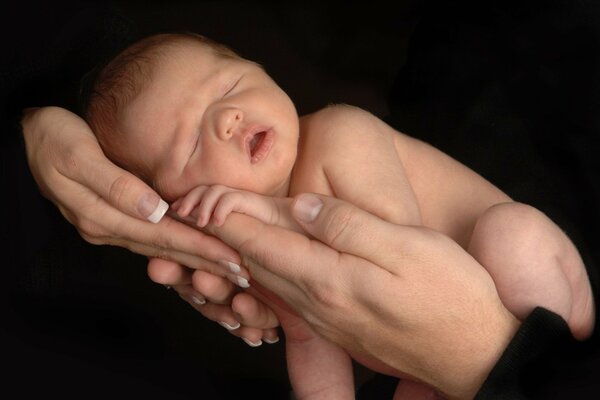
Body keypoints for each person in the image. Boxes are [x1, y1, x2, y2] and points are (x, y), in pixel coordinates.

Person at [78, 31, 594, 398]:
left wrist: (269, 212)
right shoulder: (248, 248)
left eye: (229, 86)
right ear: (176, 207)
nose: (227, 118)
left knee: (513, 231)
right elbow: (309, 337)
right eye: (190, 143)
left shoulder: (339, 134)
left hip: (530, 299)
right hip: (434, 361)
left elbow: (403, 246)